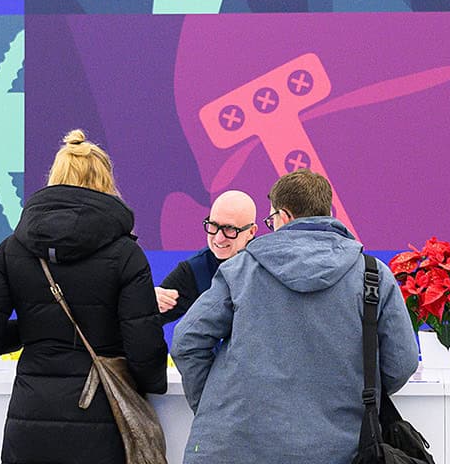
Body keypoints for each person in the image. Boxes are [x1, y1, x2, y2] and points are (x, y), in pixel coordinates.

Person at [172, 169, 418, 463]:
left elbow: (187, 341)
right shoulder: (372, 275)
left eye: (270, 219)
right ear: (328, 212)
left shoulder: (241, 270)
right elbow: (402, 362)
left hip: (236, 447)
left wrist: (215, 404)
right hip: (339, 449)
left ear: (284, 216)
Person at [0, 130, 167, 464]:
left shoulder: (12, 249)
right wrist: (152, 383)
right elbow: (144, 349)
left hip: (30, 421)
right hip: (102, 419)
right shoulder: (126, 254)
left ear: (55, 178)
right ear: (106, 183)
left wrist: (31, 330)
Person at [154, 190, 258, 324]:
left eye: (230, 229)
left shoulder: (267, 265)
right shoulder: (195, 270)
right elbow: (146, 319)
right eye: (213, 225)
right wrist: (147, 303)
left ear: (251, 232)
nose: (219, 238)